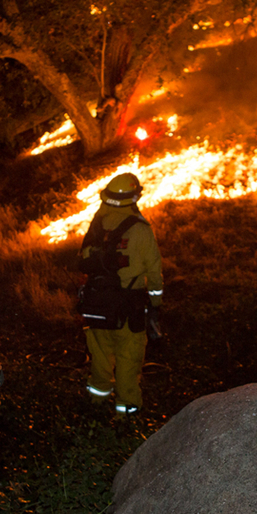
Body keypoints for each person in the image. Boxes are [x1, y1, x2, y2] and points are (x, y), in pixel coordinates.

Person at [78, 173, 163, 417]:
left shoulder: (97, 224)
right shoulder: (140, 230)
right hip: (129, 308)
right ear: (134, 198)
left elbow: (83, 259)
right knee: (128, 357)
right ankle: (127, 412)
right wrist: (155, 303)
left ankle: (95, 405)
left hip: (96, 305)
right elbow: (154, 272)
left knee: (100, 355)